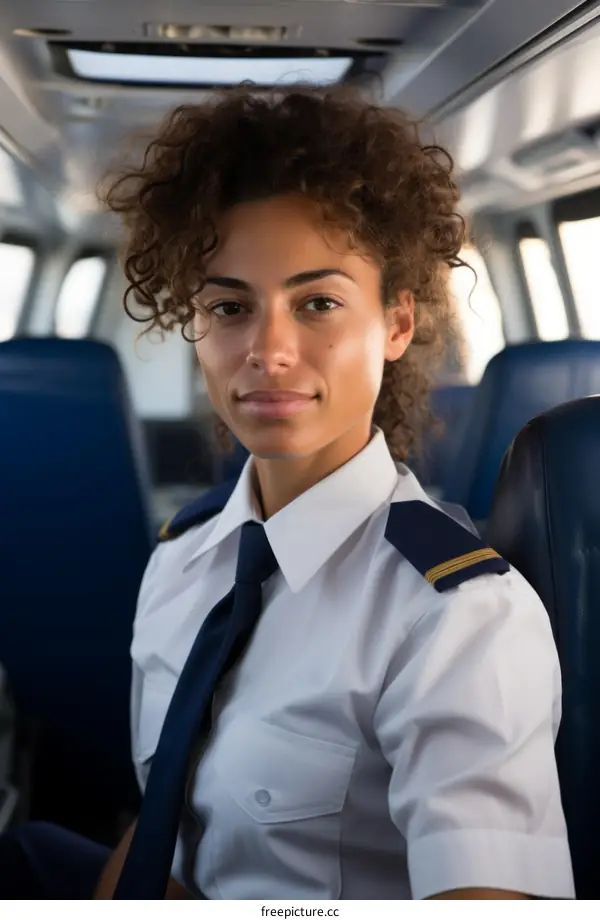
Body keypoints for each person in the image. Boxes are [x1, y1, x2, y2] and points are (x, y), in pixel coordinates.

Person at [2, 84, 574, 900]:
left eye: (317, 304)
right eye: (231, 306)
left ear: (398, 324)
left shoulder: (455, 615)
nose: (267, 350)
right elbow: (172, 825)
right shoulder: (184, 559)